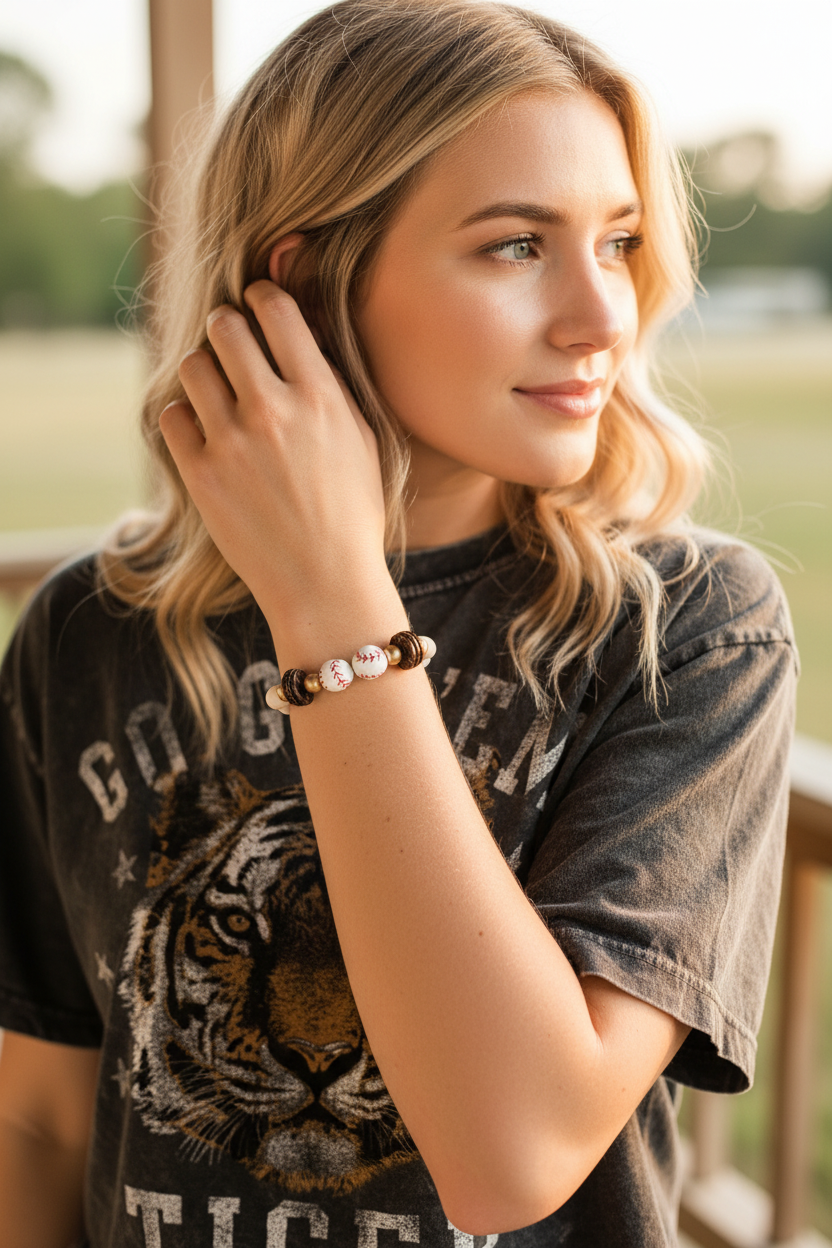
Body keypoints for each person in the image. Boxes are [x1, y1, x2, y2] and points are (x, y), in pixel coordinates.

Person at [0, 2, 797, 1245]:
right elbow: (42, 1119)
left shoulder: (689, 631)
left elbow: (512, 1155)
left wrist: (329, 599)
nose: (604, 315)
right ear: (306, 279)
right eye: (515, 245)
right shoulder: (86, 631)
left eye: (619, 240)